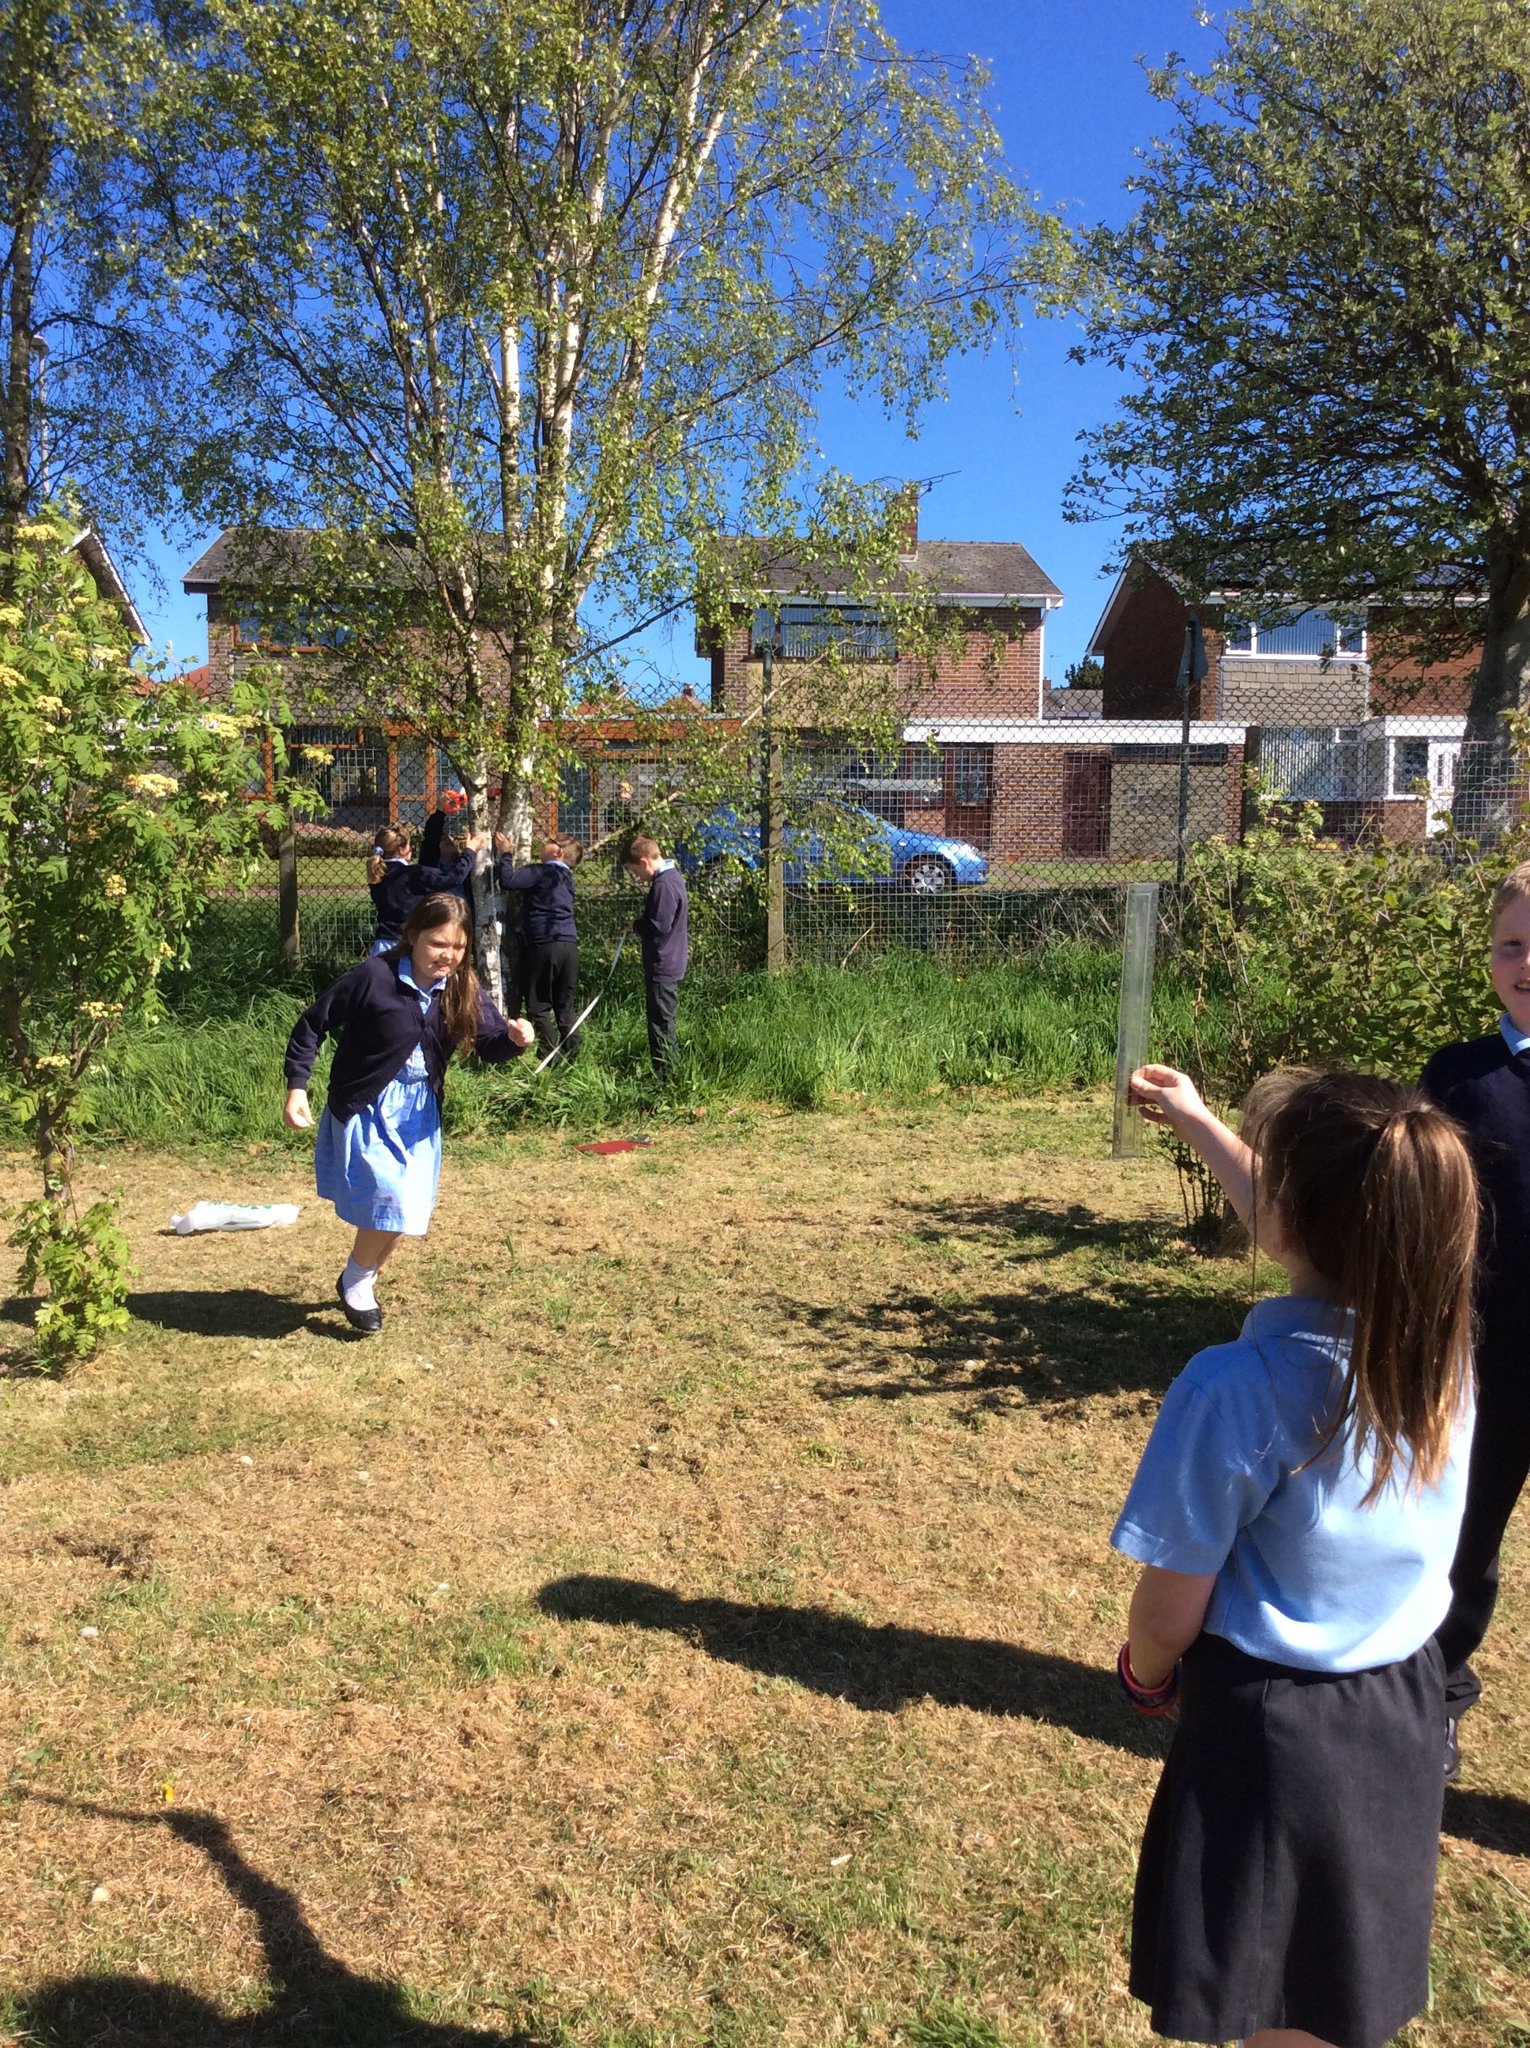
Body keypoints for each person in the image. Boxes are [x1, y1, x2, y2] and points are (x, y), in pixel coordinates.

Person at [1114, 1063, 1476, 2048]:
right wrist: (1195, 1121)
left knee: (1273, 2006)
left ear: (1287, 1216)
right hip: (1402, 1711)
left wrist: (1146, 1678)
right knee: (1334, 1994)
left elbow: (1168, 1610)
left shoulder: (1231, 1386)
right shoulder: (1445, 1356)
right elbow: (1319, 1222)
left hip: (1271, 1740)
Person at [283, 893, 534, 1332]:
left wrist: (514, 1040)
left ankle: (360, 1278)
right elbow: (312, 1024)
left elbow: (490, 1044)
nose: (449, 956)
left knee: (407, 1211)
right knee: (393, 1199)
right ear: (414, 935)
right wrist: (297, 1087)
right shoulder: (373, 977)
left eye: (458, 947)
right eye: (439, 944)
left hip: (420, 1113)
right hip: (369, 1104)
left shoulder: (463, 986)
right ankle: (358, 1281)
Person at [1419, 858, 1530, 1774]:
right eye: (1512, 945)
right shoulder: (1459, 1077)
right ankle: (1438, 1694)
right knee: (1464, 1538)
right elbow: (1416, 1205)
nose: (1527, 962)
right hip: (1485, 1365)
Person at [494, 832, 583, 1065]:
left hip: (544, 944)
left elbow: (508, 881)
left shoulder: (542, 871)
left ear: (558, 852)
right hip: (569, 945)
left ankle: (549, 1055)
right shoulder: (567, 879)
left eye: (549, 842)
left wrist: (506, 853)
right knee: (564, 1003)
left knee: (538, 1003)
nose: (542, 846)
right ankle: (573, 1052)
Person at [625, 834, 689, 1076]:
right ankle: (668, 1070)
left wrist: (636, 925)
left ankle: (666, 1074)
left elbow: (659, 925)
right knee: (663, 1019)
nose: (638, 877)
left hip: (663, 962)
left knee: (660, 1023)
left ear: (643, 862)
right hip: (670, 958)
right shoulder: (672, 878)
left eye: (635, 871)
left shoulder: (663, 885)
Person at [365, 822, 480, 956]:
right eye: (410, 845)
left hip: (382, 944)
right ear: (403, 850)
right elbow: (453, 878)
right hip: (408, 944)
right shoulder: (414, 874)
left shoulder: (377, 877)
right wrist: (470, 851)